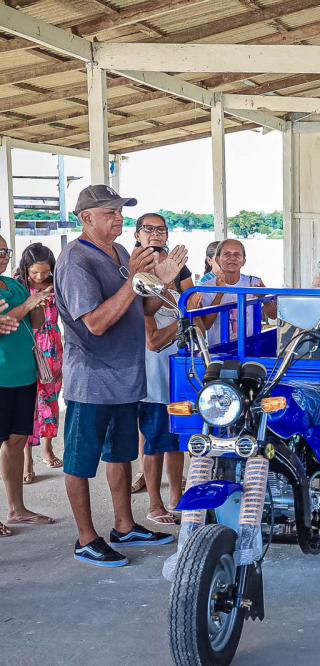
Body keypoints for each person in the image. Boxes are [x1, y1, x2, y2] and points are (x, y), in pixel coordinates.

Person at [55, 185, 186, 567]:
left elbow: (143, 308)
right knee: (80, 461)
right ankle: (85, 537)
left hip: (127, 376)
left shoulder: (122, 253)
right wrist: (134, 282)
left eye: (120, 211)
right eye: (109, 211)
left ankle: (125, 525)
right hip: (92, 381)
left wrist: (160, 280)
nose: (118, 218)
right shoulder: (75, 260)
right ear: (86, 218)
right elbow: (95, 323)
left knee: (121, 454)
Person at [134, 214, 193, 524]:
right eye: (149, 229)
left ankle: (177, 497)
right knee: (155, 443)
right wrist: (184, 321)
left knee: (177, 441)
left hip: (178, 376)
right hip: (154, 378)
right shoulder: (143, 287)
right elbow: (153, 341)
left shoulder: (176, 290)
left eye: (161, 230)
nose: (155, 235)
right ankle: (155, 503)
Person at [0, 234, 55, 537]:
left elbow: (34, 323)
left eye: (6, 250)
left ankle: (16, 509)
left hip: (25, 375)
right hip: (2, 376)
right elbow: (4, 323)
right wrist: (28, 305)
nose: (3, 256)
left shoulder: (14, 285)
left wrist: (38, 301)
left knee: (17, 440)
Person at [15, 243, 63, 480]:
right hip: (28, 347)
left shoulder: (57, 285)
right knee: (29, 404)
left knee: (50, 400)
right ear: (25, 269)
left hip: (52, 349)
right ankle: (27, 461)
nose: (40, 276)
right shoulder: (18, 286)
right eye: (34, 272)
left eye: (44, 272)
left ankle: (47, 448)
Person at [192, 239, 277, 345]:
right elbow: (206, 325)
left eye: (237, 254)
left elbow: (273, 315)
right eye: (227, 254)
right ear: (218, 259)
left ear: (244, 261)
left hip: (251, 346)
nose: (232, 258)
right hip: (219, 350)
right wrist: (219, 294)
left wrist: (264, 299)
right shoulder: (206, 287)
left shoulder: (254, 283)